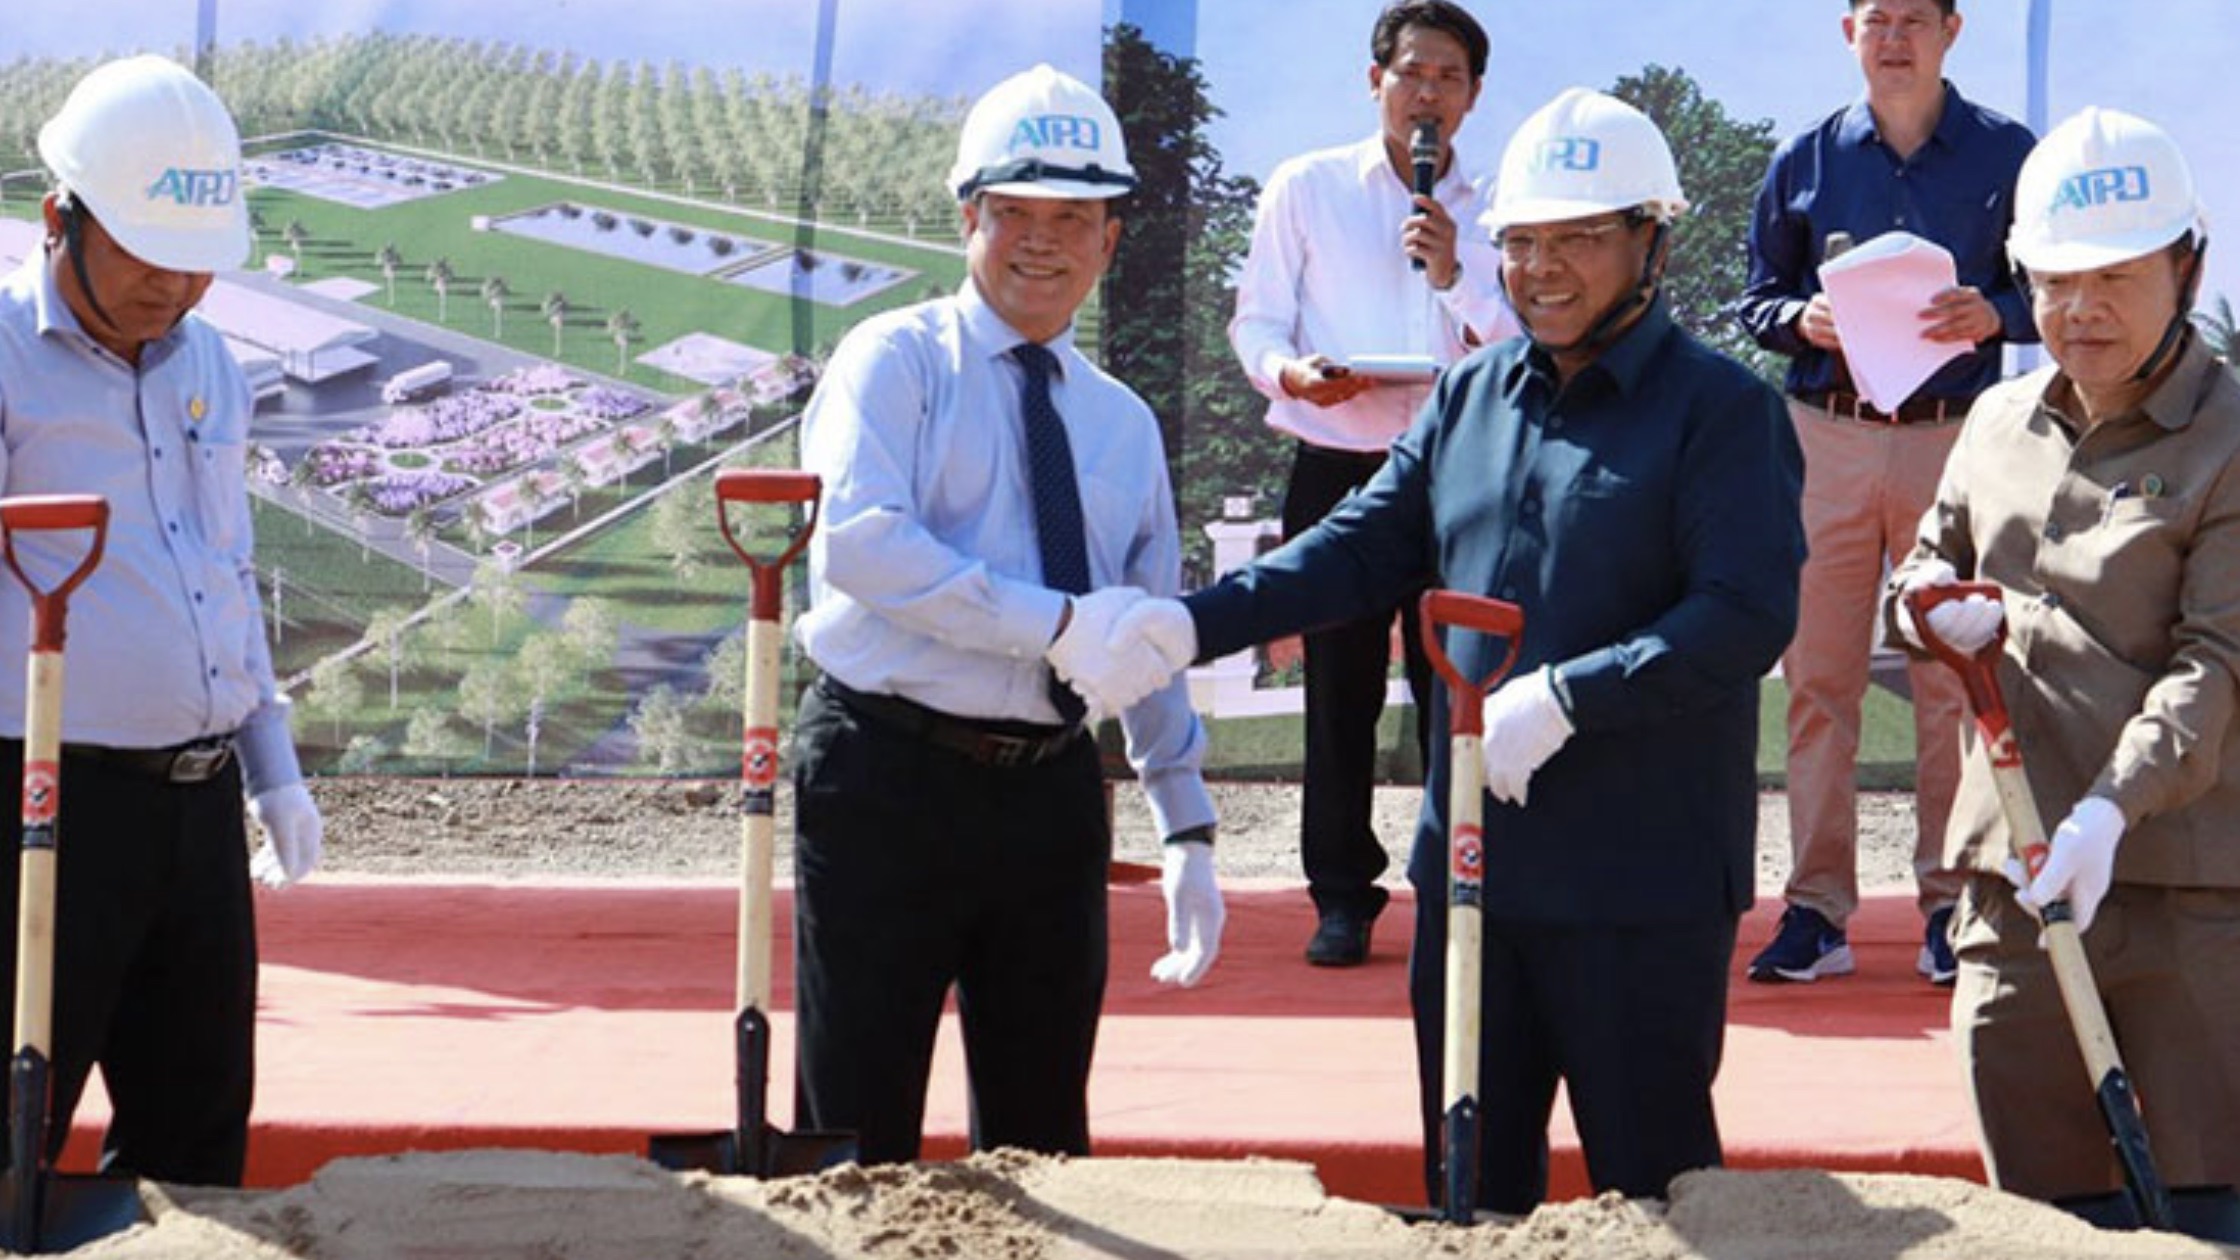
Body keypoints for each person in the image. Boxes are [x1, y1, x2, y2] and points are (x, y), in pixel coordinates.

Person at [1081, 89, 1804, 1214]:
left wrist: (1570, 697)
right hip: (1475, 876)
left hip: (1640, 882)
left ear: (1650, 242)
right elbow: (1356, 550)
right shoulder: (1469, 396)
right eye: (1518, 243)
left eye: (1577, 240)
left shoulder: (1721, 412)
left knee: (1661, 1203)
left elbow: (1743, 613)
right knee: (1469, 1196)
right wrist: (1191, 624)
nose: (1540, 271)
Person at [789, 64, 1222, 1167]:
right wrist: (1054, 625)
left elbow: (1148, 630)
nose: (1042, 241)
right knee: (854, 1132)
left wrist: (1183, 820)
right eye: (1014, 212)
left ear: (1109, 241)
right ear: (967, 217)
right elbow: (859, 544)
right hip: (885, 775)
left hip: (1049, 797)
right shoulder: (893, 361)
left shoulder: (1121, 424)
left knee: (1042, 1140)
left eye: (1072, 218)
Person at [1888, 107, 2240, 1205]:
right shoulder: (1994, 421)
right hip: (2011, 880)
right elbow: (1926, 568)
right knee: (2036, 1216)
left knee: (2202, 1212)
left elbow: (2217, 662)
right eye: (2053, 280)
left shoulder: (2230, 437)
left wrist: (2108, 809)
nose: (2079, 309)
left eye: (2114, 278)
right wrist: (1922, 611)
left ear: (2186, 269)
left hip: (2187, 892)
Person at [0, 55, 323, 1187]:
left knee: (195, 1145)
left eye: (197, 263)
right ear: (61, 218)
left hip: (196, 811)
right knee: (9, 1139)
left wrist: (271, 767)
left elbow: (223, 569)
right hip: (41, 803)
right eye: (148, 252)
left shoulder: (210, 365)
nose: (175, 287)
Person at [1735, 0, 2037, 987]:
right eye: (1877, 19)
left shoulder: (2006, 154)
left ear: (1953, 29)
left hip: (1953, 438)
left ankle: (1948, 904)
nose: (1895, 38)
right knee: (1817, 681)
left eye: (1914, 18)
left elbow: (2049, 287)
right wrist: (1801, 320)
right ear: (1848, 32)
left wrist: (1992, 313)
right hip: (1825, 434)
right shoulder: (1806, 159)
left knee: (1950, 682)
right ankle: (1815, 910)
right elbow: (1755, 299)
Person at [1229, 0, 1519, 968]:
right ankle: (1341, 896)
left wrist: (1456, 272)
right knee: (1338, 688)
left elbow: (1519, 343)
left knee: (1457, 688)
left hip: (1457, 467)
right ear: (1374, 81)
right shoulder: (1306, 187)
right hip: (1337, 466)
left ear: (1473, 95)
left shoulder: (1500, 206)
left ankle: (1455, 883)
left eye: (1447, 78)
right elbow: (1256, 323)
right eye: (1411, 73)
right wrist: (1292, 375)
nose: (1426, 94)